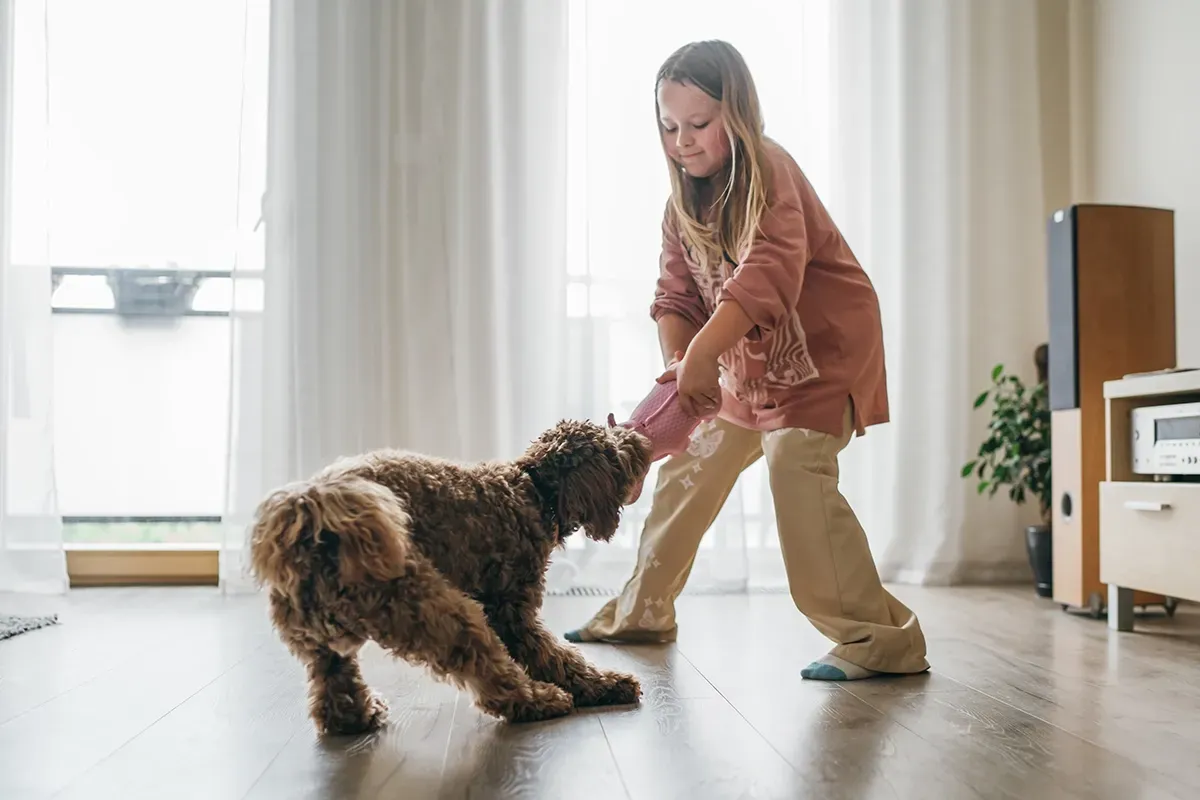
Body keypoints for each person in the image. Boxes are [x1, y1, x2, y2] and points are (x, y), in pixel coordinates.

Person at [563, 40, 929, 681]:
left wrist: (705, 350)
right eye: (669, 126)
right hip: (744, 365)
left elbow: (769, 275)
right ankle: (642, 610)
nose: (683, 141)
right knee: (688, 470)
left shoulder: (771, 169)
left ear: (738, 113)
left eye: (699, 124)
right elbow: (675, 294)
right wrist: (683, 365)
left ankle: (879, 639)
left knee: (796, 466)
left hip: (821, 356)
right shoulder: (682, 205)